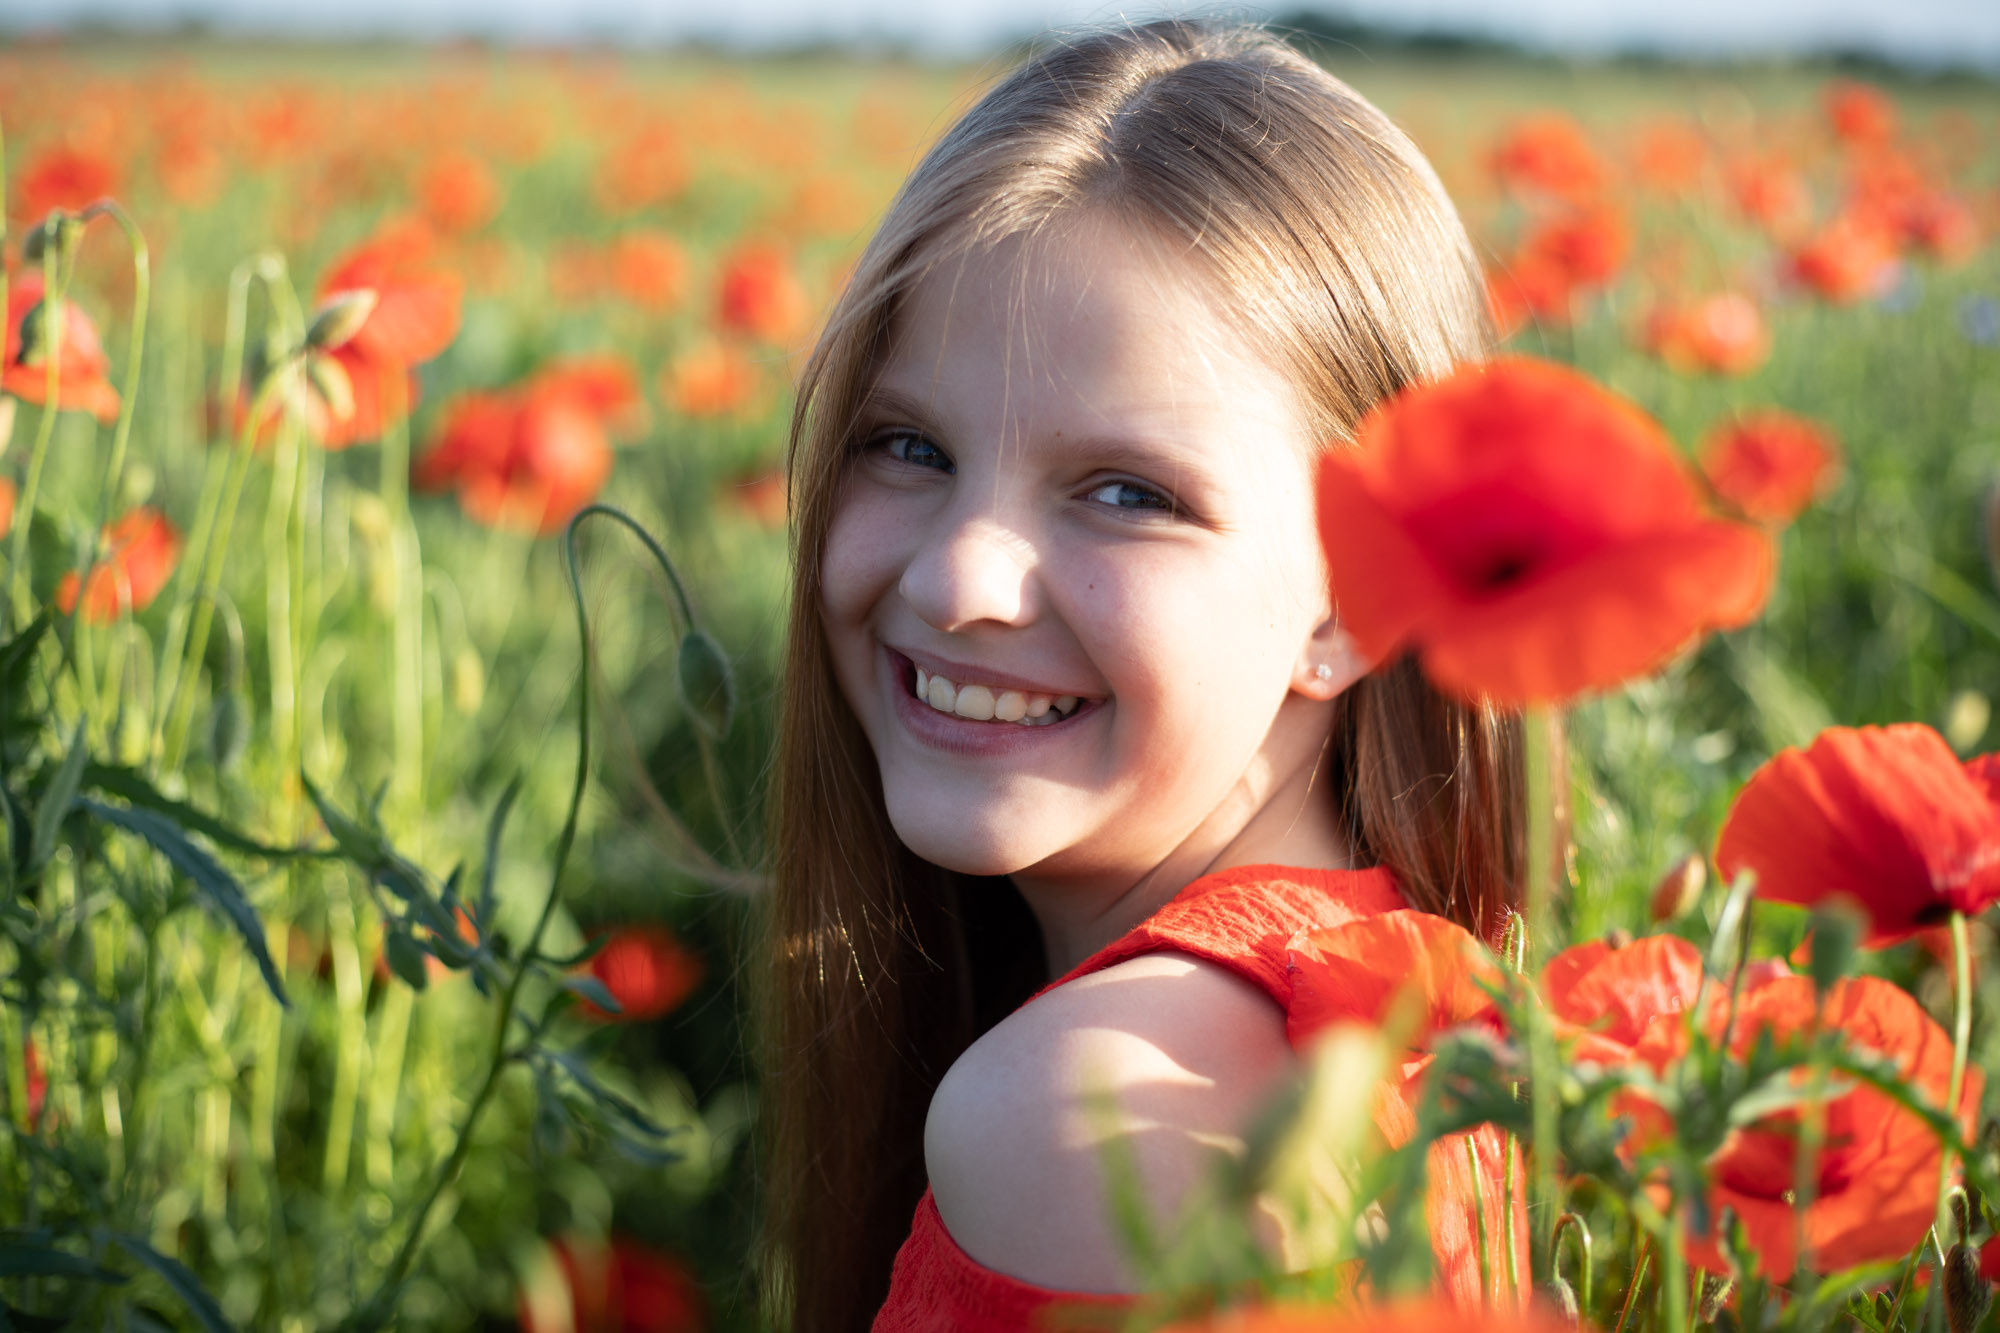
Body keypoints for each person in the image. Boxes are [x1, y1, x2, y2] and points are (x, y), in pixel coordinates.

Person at [762, 19, 1526, 1331]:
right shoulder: (1414, 1008)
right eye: (907, 447)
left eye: (1128, 492)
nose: (956, 581)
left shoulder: (1094, 1108)